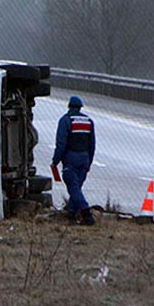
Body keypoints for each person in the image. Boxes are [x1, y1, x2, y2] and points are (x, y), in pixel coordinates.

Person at [52, 95, 96, 225]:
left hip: (71, 159)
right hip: (84, 159)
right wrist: (89, 162)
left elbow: (61, 143)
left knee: (73, 188)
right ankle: (71, 214)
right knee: (77, 188)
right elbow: (92, 144)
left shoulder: (65, 120)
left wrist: (55, 161)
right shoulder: (88, 121)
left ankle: (86, 214)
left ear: (69, 106)